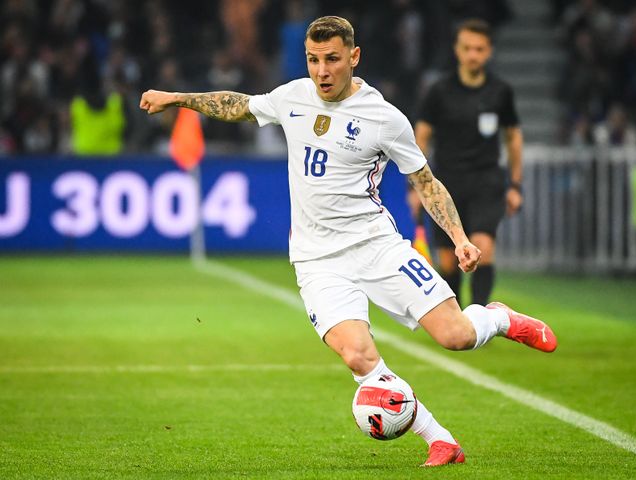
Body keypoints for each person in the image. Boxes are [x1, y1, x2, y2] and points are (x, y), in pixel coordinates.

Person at [140, 16, 556, 467]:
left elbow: (426, 181)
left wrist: (458, 238)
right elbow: (236, 104)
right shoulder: (292, 97)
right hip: (317, 260)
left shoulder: (384, 119)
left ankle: (496, 317)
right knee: (358, 356)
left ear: (353, 58)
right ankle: (441, 440)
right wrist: (178, 98)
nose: (321, 71)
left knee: (456, 336)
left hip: (376, 246)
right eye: (313, 60)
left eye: (332, 60)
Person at [409, 18, 524, 306]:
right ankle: (458, 317)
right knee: (449, 261)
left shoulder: (501, 92)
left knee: (483, 246)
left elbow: (513, 138)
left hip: (487, 181)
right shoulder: (438, 91)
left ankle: (482, 315)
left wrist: (516, 185)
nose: (473, 54)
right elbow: (420, 138)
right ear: (457, 50)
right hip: (446, 182)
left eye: (479, 49)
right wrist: (415, 187)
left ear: (489, 52)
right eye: (467, 48)